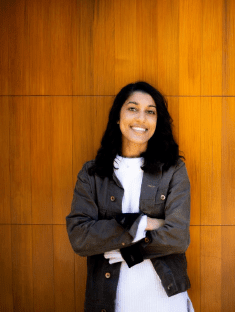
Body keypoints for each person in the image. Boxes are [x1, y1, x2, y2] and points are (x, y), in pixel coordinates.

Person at [66, 81, 194, 312]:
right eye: (132, 108)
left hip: (165, 299)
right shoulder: (92, 174)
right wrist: (143, 223)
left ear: (157, 122)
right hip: (110, 300)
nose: (141, 118)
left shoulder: (173, 170)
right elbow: (79, 237)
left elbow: (178, 236)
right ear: (118, 116)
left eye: (150, 112)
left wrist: (130, 253)